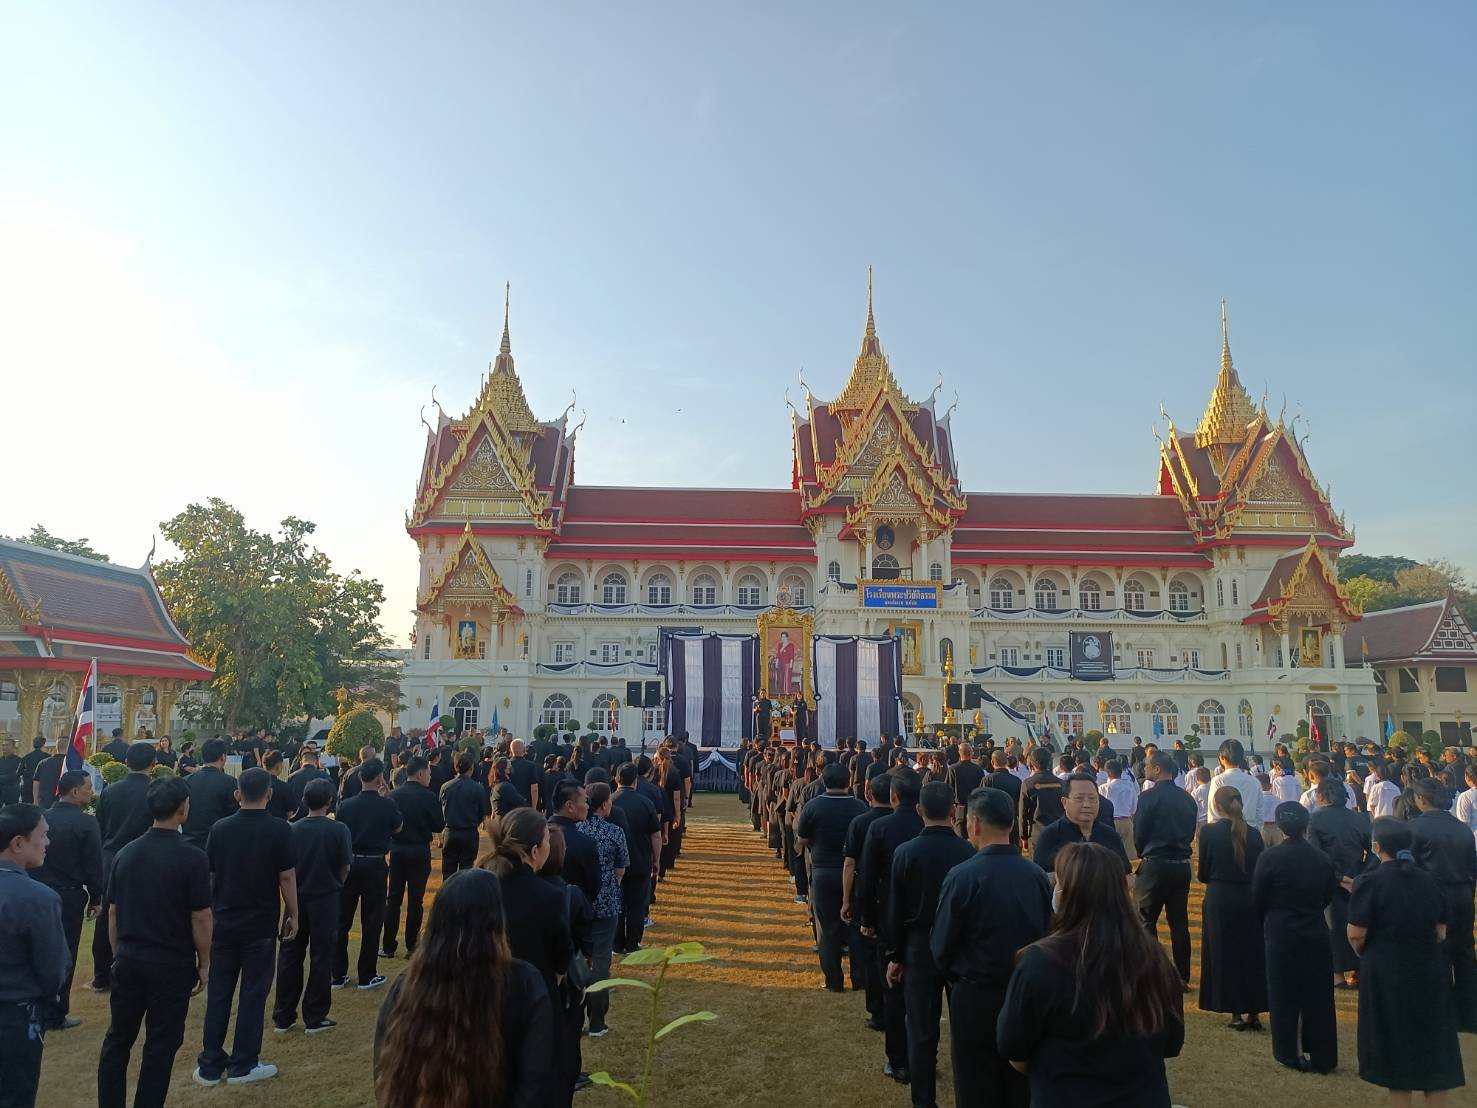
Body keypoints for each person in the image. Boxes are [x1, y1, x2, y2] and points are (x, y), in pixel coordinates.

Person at [997, 842, 1185, 1107]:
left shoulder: (1039, 963)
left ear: (1064, 894)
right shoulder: (1155, 958)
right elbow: (1172, 1044)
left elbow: (1013, 1047)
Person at [374, 869, 552, 1108]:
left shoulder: (407, 985)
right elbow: (533, 1085)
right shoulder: (524, 983)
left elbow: (383, 1070)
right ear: (497, 922)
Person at [931, 786, 1049, 1108]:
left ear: (975, 824)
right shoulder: (1036, 875)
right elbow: (1049, 932)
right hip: (1025, 990)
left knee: (974, 1079)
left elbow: (941, 945)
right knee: (1020, 1078)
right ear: (1011, 824)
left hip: (975, 993)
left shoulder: (962, 877)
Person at [98, 777, 212, 1108]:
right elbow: (201, 917)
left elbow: (113, 914)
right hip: (171, 963)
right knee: (160, 1046)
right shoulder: (192, 858)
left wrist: (119, 954)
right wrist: (204, 962)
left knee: (118, 1040)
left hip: (131, 958)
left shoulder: (125, 853)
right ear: (183, 809)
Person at [1349, 817, 1466, 1105]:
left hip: (1387, 970)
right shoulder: (1430, 880)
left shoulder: (1370, 882)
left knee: (1396, 1054)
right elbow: (1441, 932)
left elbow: (1356, 934)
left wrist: (1369, 953)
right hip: (1429, 968)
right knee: (1434, 1050)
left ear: (1377, 847)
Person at [193, 767, 297, 1086]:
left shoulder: (220, 829)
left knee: (220, 993)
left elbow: (209, 877)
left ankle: (210, 1064)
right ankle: (243, 1063)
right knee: (253, 994)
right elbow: (287, 877)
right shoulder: (280, 829)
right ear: (269, 793)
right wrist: (294, 913)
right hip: (260, 924)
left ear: (239, 794)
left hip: (224, 921)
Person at [884, 779, 973, 1108]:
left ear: (920, 811)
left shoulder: (906, 853)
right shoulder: (967, 851)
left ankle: (924, 1101)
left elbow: (895, 910)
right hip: (960, 946)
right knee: (964, 1030)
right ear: (953, 811)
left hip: (919, 945)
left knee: (921, 1028)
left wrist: (895, 955)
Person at [1252, 801, 1338, 1074]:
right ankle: (1323, 1054)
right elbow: (1327, 895)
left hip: (1280, 930)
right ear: (1306, 826)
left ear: (1279, 825)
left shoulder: (1269, 858)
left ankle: (1288, 1051)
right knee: (1319, 994)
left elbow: (1258, 897)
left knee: (1283, 992)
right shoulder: (1322, 858)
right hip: (1314, 928)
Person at [858, 768, 924, 1083]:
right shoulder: (930, 826)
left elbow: (867, 878)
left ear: (894, 796)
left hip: (889, 918)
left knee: (894, 993)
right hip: (928, 922)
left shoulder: (880, 828)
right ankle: (923, 1059)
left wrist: (866, 920)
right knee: (924, 1000)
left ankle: (899, 1061)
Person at [0, 803, 68, 1108]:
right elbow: (53, 969)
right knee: (16, 1093)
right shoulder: (39, 899)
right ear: (18, 843)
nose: (48, 842)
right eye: (43, 835)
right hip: (16, 1016)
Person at [272, 777, 351, 1036]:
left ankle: (283, 1015)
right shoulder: (338, 830)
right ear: (330, 802)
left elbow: (283, 868)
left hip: (295, 899)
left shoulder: (290, 830)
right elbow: (344, 867)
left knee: (289, 956)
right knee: (321, 956)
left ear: (304, 801)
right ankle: (315, 1015)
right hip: (326, 898)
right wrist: (336, 883)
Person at [31, 770, 101, 1031]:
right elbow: (93, 865)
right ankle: (56, 1012)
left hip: (37, 892)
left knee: (37, 949)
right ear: (74, 791)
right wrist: (97, 897)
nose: (90, 792)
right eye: (87, 788)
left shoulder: (41, 817)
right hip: (69, 896)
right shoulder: (86, 824)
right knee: (65, 952)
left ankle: (36, 1007)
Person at [1409, 777, 1477, 1031]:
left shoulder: (1415, 827)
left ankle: (1440, 1014)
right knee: (1464, 954)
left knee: (1434, 955)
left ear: (1421, 799)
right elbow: (1473, 868)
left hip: (1432, 896)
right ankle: (1469, 1015)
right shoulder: (1461, 829)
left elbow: (1410, 868)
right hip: (1462, 894)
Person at [90, 742, 158, 992]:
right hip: (145, 858)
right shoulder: (156, 790)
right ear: (153, 764)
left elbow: (101, 825)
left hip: (112, 856)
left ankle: (102, 976)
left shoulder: (110, 791)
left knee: (108, 915)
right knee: (146, 914)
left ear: (126, 762)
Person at [1197, 787, 1266, 1030]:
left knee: (1224, 954)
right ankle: (1254, 1011)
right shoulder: (1255, 834)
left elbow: (1203, 873)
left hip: (1220, 897)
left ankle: (1235, 1012)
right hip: (1249, 896)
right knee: (1252, 954)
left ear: (1216, 806)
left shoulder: (1209, 833)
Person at [797, 762, 867, 993]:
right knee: (856, 926)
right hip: (855, 872)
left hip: (823, 870)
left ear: (823, 780)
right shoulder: (860, 807)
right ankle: (859, 978)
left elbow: (803, 839)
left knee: (826, 928)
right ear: (848, 781)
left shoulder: (813, 806)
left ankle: (833, 979)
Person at [334, 758, 401, 991]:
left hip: (350, 864)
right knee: (372, 920)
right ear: (380, 778)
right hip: (374, 865)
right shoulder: (387, 804)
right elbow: (398, 827)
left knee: (342, 920)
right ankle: (366, 974)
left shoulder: (346, 806)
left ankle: (337, 973)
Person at [1134, 751, 1198, 987]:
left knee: (1145, 920)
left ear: (1158, 769)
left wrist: (1144, 852)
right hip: (1180, 864)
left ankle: (1153, 971)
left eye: (1148, 765)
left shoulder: (1148, 797)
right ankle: (1182, 975)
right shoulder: (1186, 798)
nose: (1145, 768)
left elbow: (1140, 832)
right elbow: (1190, 831)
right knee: (1178, 922)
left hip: (1156, 863)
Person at [1308, 777, 1371, 989]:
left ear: (1321, 795)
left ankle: (1337, 974)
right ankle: (1358, 969)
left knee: (1333, 926)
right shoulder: (1360, 818)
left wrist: (1338, 877)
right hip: (1357, 877)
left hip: (1330, 879)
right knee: (1359, 921)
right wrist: (1362, 875)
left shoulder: (1315, 820)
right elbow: (1373, 851)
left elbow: (1315, 854)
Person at [577, 781, 628, 1038]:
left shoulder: (576, 830)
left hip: (579, 901)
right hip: (606, 900)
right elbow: (621, 869)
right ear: (605, 803)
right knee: (600, 960)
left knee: (576, 957)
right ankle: (597, 1021)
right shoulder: (615, 832)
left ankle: (575, 1014)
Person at [842, 771, 892, 1029]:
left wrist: (847, 899)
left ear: (868, 793)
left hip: (868, 892)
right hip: (896, 895)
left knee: (868, 950)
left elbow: (850, 862)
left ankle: (875, 1007)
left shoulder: (861, 822)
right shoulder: (902, 821)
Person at [382, 755, 444, 959]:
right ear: (420, 773)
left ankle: (389, 945)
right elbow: (438, 825)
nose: (430, 776)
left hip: (398, 849)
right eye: (428, 772)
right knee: (416, 900)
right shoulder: (429, 796)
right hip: (419, 850)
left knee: (393, 898)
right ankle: (411, 945)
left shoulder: (394, 795)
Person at [1032, 774, 1130, 877]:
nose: (1087, 804)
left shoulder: (1110, 835)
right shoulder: (1050, 836)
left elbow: (1127, 874)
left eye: (1092, 798)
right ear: (1064, 802)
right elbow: (1040, 879)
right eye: (1079, 798)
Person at [611, 763, 660, 954]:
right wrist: (656, 860)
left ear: (616, 779)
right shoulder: (645, 802)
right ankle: (632, 943)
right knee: (636, 905)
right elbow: (655, 835)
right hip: (639, 860)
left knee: (617, 903)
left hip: (614, 862)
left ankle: (616, 943)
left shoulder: (610, 802)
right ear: (635, 782)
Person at [440, 752, 490, 878]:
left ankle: (447, 896)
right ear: (472, 768)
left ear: (456, 767)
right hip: (469, 832)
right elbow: (481, 813)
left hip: (450, 831)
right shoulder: (477, 788)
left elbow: (441, 808)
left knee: (448, 871)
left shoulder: (445, 787)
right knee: (467, 870)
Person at [182, 737, 238, 847]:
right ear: (223, 757)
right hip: (218, 844)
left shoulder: (186, 781)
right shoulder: (230, 782)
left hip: (188, 843)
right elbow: (233, 816)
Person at [1017, 748, 1063, 850]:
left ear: (1032, 764)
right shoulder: (1062, 783)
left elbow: (1023, 813)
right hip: (1060, 831)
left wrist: (1023, 836)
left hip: (1038, 833)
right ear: (1050, 762)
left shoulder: (1028, 784)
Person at [1099, 759, 1138, 861]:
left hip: (1108, 822)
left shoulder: (1103, 788)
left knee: (1109, 852)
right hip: (1126, 821)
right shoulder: (1130, 787)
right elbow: (1134, 810)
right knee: (1129, 854)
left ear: (1107, 773)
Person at [945, 744, 985, 835]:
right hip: (975, 807)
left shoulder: (953, 769)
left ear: (959, 753)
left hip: (959, 808)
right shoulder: (978, 770)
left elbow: (948, 790)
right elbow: (982, 790)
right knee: (975, 836)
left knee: (960, 837)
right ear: (971, 754)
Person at [29, 739, 63, 810]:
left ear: (56, 747)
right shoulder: (72, 764)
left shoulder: (43, 762)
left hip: (45, 803)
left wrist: (35, 801)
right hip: (64, 805)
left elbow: (36, 783)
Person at [0, 738, 21, 807]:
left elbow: (14, 776)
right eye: (3, 745)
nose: (4, 747)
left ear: (13, 747)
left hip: (12, 793)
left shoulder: (18, 760)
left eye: (7, 745)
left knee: (11, 815)